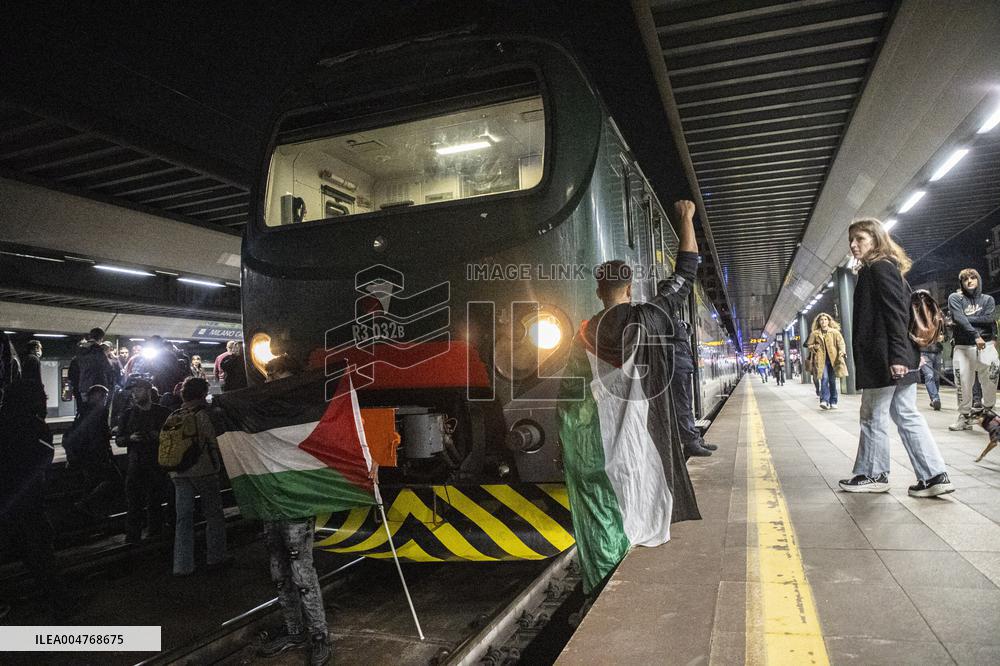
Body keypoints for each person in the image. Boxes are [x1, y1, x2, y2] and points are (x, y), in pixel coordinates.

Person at [555, 199, 701, 596]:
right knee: (638, 500)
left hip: (596, 449)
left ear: (599, 289)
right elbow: (685, 275)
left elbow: (569, 400)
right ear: (629, 287)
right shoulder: (651, 315)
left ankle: (600, 583)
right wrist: (686, 219)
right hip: (642, 442)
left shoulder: (581, 334)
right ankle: (628, 556)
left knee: (602, 514)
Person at [839, 218, 953, 497]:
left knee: (872, 415)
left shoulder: (878, 268)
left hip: (886, 358)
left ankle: (874, 474)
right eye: (851, 240)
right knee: (905, 414)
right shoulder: (883, 268)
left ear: (876, 240)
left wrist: (900, 357)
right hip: (896, 355)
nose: (854, 245)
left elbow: (897, 314)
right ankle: (934, 476)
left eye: (860, 239)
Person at [255, 362, 332, 665]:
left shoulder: (306, 414)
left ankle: (319, 637)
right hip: (273, 499)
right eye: (272, 377)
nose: (275, 382)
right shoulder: (263, 411)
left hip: (297, 501)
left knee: (302, 572)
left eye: (281, 378)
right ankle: (295, 630)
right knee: (279, 572)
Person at [0, 381, 63, 617]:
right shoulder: (33, 426)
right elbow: (45, 455)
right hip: (28, 501)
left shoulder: (3, 420)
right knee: (40, 551)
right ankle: (59, 603)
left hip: (6, 499)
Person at [170, 377, 229, 576]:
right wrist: (218, 466)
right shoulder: (202, 416)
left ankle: (182, 565)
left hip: (178, 473)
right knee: (214, 515)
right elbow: (213, 443)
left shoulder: (173, 415)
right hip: (203, 471)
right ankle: (216, 556)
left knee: (183, 519)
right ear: (202, 394)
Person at [117, 376, 172, 543]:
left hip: (156, 465)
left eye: (138, 390)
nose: (134, 394)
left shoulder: (162, 413)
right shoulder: (127, 415)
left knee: (155, 502)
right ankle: (133, 536)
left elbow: (171, 436)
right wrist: (130, 438)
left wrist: (157, 436)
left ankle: (154, 534)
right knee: (134, 504)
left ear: (148, 391)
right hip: (136, 465)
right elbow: (119, 440)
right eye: (132, 392)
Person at [947, 269, 998, 431]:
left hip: (987, 345)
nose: (969, 281)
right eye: (965, 279)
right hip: (963, 346)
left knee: (991, 378)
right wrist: (975, 333)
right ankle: (965, 416)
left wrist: (961, 319)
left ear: (978, 280)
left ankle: (989, 410)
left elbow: (989, 319)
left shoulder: (988, 299)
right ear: (961, 283)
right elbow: (959, 318)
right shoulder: (955, 298)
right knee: (962, 382)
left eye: (973, 277)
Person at [63, 385, 119, 518]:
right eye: (103, 396)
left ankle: (90, 511)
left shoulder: (83, 412)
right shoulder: (97, 414)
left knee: (91, 482)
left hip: (86, 455)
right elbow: (96, 437)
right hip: (94, 456)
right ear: (95, 397)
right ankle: (85, 505)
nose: (105, 399)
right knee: (112, 480)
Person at [68, 328, 117, 412]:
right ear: (101, 338)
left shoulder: (80, 350)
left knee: (83, 411)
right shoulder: (98, 350)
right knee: (96, 414)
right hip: (97, 388)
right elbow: (107, 369)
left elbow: (74, 371)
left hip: (83, 387)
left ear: (90, 336)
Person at [806, 313, 848, 410]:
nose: (823, 321)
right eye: (821, 320)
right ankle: (824, 400)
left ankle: (833, 401)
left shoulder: (835, 332)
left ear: (829, 321)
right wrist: (814, 347)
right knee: (824, 378)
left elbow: (841, 343)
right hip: (821, 360)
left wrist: (842, 351)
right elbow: (809, 345)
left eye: (825, 319)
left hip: (834, 360)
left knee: (832, 381)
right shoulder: (814, 333)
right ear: (818, 322)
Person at [919, 333, 945, 411]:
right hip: (923, 352)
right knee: (929, 375)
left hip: (937, 352)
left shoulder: (940, 321)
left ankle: (933, 399)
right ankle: (935, 399)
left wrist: (943, 338)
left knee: (936, 378)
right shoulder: (919, 321)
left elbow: (947, 335)